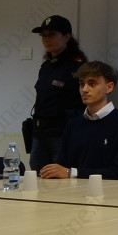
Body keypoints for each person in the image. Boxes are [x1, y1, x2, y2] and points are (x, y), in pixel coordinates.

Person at [39, 61, 118, 180]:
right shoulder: (73, 124)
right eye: (81, 84)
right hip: (71, 189)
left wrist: (72, 173)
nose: (84, 89)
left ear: (109, 87)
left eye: (92, 84)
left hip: (109, 189)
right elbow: (62, 167)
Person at [30, 15, 88, 173]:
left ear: (67, 37)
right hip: (39, 133)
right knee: (37, 176)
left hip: (62, 134)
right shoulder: (46, 66)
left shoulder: (78, 66)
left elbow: (87, 102)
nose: (46, 39)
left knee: (60, 177)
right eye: (43, 35)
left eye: (52, 34)